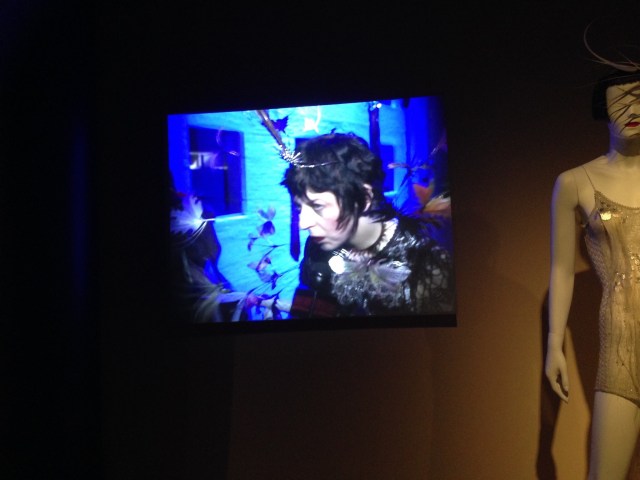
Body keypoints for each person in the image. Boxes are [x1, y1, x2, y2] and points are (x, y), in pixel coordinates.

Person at [545, 62, 640, 478]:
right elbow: (562, 270)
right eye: (619, 101)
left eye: (639, 99)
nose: (631, 109)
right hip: (620, 346)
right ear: (602, 108)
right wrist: (554, 343)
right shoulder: (575, 182)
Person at [279, 132, 455, 318]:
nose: (303, 224)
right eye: (299, 207)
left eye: (318, 206)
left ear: (364, 198)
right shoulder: (318, 244)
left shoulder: (425, 263)